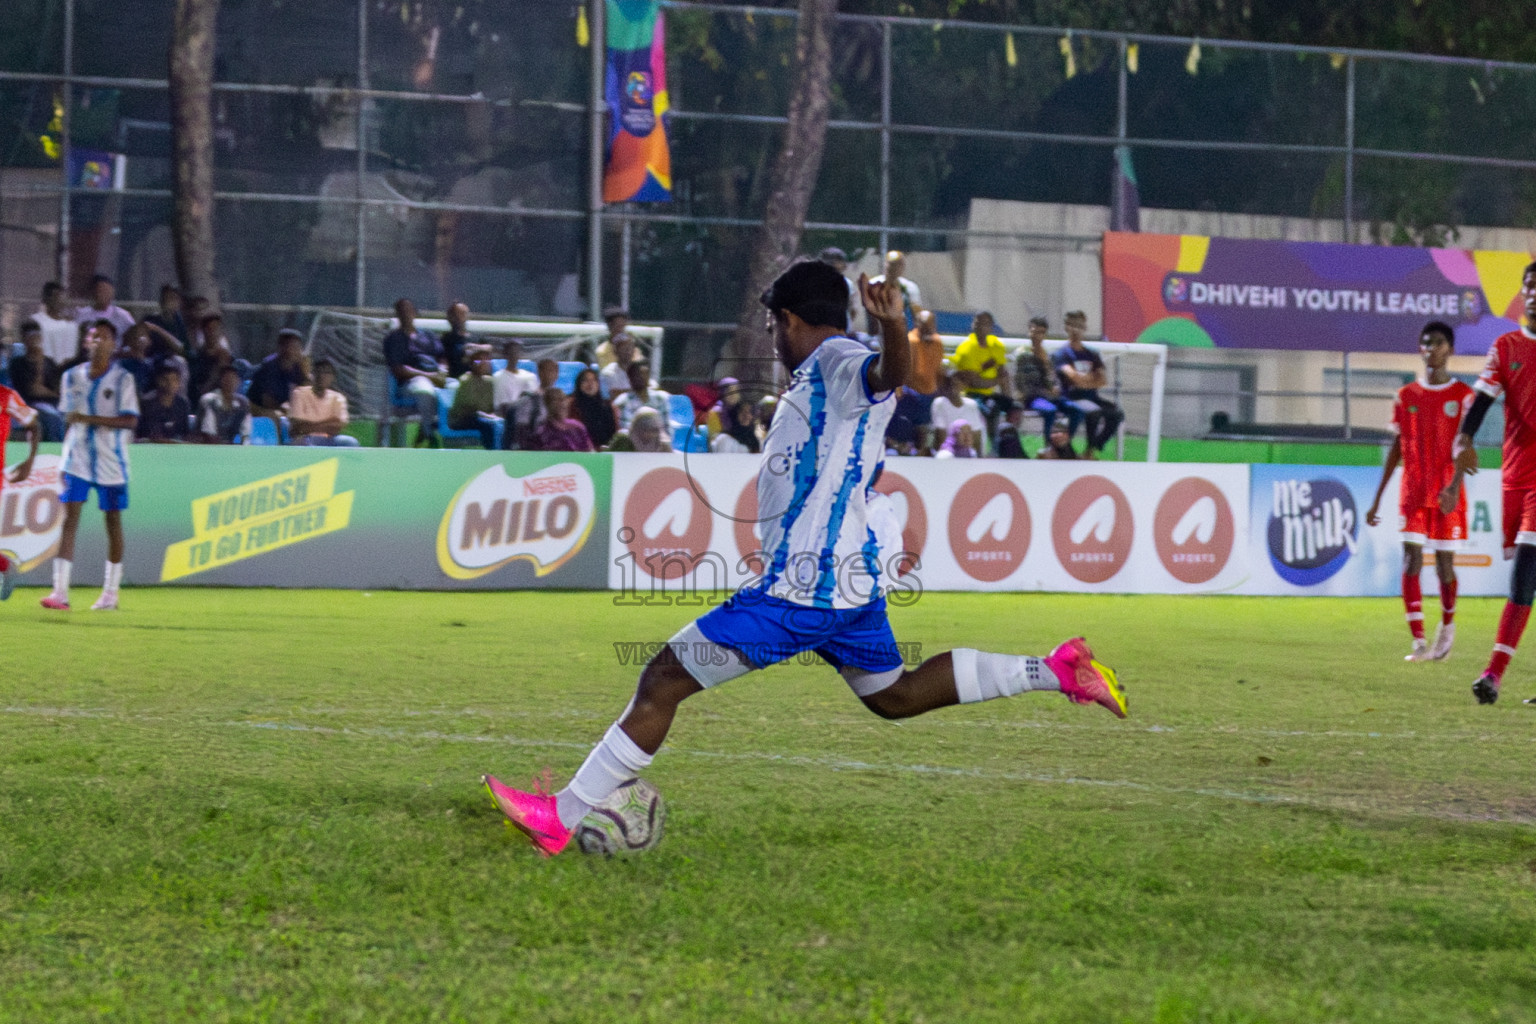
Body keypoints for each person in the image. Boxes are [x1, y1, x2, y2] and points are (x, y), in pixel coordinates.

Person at [480, 260, 1127, 856]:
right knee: (894, 696)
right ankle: (1058, 670)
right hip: (844, 581)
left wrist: (893, 326)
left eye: (773, 324)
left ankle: (561, 818)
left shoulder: (838, 359)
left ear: (792, 320)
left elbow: (887, 375)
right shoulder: (816, 377)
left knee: (663, 680)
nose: (771, 337)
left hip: (805, 588)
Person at [1453, 262, 1536, 704]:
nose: (1534, 293)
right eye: (1529, 286)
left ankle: (1493, 674)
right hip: (1515, 477)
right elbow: (1483, 399)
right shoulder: (1505, 347)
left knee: (1525, 570)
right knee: (1526, 579)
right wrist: (1464, 438)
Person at [1364, 322, 1471, 662]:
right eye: (1426, 343)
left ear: (1450, 349)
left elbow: (1466, 451)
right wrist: (1377, 498)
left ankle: (1447, 630)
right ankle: (1418, 642)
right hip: (1413, 492)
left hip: (1447, 493)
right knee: (1410, 559)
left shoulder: (1463, 397)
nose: (1430, 349)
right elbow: (1396, 448)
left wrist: (1454, 487)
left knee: (1444, 565)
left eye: (1438, 343)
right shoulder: (1406, 395)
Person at [42, 319, 138, 612]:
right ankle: (60, 592)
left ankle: (110, 593)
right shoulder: (71, 377)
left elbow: (130, 420)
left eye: (104, 337)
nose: (97, 341)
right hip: (78, 457)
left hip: (112, 460)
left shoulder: (123, 380)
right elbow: (67, 416)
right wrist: (79, 422)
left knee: (113, 523)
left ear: (113, 345)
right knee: (69, 520)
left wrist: (88, 419)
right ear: (86, 342)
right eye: (93, 336)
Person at [1052, 311, 1124, 456]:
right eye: (1072, 325)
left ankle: (1095, 446)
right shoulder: (1061, 354)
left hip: (1092, 397)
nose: (1076, 330)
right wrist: (1091, 378)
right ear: (1066, 327)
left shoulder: (1093, 354)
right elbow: (1073, 377)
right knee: (1093, 411)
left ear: (1085, 328)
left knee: (1116, 414)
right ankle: (1087, 452)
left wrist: (1084, 380)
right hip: (1071, 397)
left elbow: (1102, 380)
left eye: (1079, 326)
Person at [382, 298, 447, 447]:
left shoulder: (429, 336)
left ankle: (451, 439)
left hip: (436, 377)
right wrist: (429, 376)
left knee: (456, 387)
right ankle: (430, 435)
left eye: (409, 310)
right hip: (410, 383)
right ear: (397, 315)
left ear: (415, 313)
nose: (406, 314)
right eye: (402, 311)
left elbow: (442, 357)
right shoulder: (393, 339)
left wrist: (443, 372)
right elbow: (398, 369)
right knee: (425, 390)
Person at [0, 376, 39, 599]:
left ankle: (5, 566)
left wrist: (30, 460)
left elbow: (33, 424)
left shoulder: (6, 397)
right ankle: (4, 565)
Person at [951, 311, 1015, 441]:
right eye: (977, 323)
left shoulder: (996, 345)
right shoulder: (967, 348)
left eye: (985, 324)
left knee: (1015, 409)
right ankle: (992, 448)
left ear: (991, 327)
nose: (980, 326)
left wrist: (1008, 399)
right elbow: (974, 382)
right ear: (973, 325)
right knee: (992, 409)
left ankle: (1008, 442)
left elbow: (1003, 374)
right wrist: (997, 380)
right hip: (972, 394)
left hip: (989, 394)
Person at [1015, 316, 1081, 441]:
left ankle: (1065, 445)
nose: (1037, 336)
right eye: (1035, 332)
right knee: (1050, 411)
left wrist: (1054, 386)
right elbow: (1024, 385)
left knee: (1076, 411)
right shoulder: (1023, 354)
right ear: (1029, 331)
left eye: (1041, 333)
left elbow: (1052, 380)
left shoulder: (1048, 356)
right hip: (1032, 397)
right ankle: (1048, 446)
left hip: (1049, 396)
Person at [11, 321, 65, 441]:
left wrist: (53, 393)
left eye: (37, 336)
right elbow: (35, 390)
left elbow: (58, 389)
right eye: (31, 337)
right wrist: (39, 364)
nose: (35, 340)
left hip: (53, 405)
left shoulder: (50, 362)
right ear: (24, 339)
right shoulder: (18, 363)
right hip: (28, 405)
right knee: (50, 419)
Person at [288, 358, 359, 447]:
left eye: (327, 373)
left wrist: (309, 425)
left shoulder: (338, 398)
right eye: (318, 371)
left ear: (333, 377)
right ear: (312, 374)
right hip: (305, 438)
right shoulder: (299, 393)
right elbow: (298, 428)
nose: (322, 375)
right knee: (303, 443)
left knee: (350, 442)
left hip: (329, 439)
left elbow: (337, 427)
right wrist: (329, 422)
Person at [247, 329, 308, 416]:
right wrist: (287, 411)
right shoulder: (269, 367)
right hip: (259, 410)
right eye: (288, 346)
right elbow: (267, 401)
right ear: (281, 347)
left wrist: (306, 375)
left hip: (287, 412)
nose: (291, 351)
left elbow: (308, 396)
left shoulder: (299, 369)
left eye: (296, 347)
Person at [493, 343, 542, 450]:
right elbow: (501, 407)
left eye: (517, 352)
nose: (514, 355)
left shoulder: (530, 376)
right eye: (511, 352)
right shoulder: (498, 377)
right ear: (505, 355)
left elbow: (537, 399)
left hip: (532, 414)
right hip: (511, 415)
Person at [449, 354, 498, 448]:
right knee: (487, 426)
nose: (482, 364)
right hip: (462, 419)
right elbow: (467, 409)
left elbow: (491, 406)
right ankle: (491, 454)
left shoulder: (490, 382)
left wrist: (492, 414)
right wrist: (484, 414)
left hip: (483, 417)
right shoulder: (466, 381)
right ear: (471, 364)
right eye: (478, 361)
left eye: (486, 361)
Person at [135, 365, 193, 443]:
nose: (170, 383)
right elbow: (145, 433)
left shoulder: (183, 403)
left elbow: (185, 432)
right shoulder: (146, 403)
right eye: (165, 379)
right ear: (158, 380)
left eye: (174, 380)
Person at [929, 370, 985, 449]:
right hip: (948, 452)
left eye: (959, 382)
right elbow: (941, 435)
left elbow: (976, 435)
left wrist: (977, 458)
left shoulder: (971, 405)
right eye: (950, 382)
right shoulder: (940, 403)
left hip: (968, 454)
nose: (954, 385)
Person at [198, 366, 254, 444]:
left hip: (229, 447)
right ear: (221, 380)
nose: (230, 381)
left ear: (238, 381)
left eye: (234, 378)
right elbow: (209, 434)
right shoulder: (208, 400)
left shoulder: (243, 403)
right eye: (227, 378)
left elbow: (246, 434)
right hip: (206, 447)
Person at [868, 250, 922, 331]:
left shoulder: (910, 287)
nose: (892, 269)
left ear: (902, 267)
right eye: (890, 264)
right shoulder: (873, 284)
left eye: (897, 265)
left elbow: (917, 314)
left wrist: (916, 335)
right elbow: (871, 313)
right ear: (885, 265)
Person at [611, 361, 670, 431]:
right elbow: (626, 431)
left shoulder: (660, 398)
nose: (642, 377)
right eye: (638, 374)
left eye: (645, 373)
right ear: (630, 379)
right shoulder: (623, 401)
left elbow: (666, 428)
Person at [74, 274, 136, 340]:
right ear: (93, 292)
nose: (105, 294)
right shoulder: (82, 314)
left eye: (108, 291)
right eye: (101, 291)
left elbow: (134, 335)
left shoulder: (122, 315)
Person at [441, 301, 493, 379]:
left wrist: (472, 347)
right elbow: (457, 359)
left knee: (481, 359)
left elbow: (489, 347)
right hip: (458, 375)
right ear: (451, 318)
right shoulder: (447, 340)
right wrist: (469, 353)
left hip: (478, 372)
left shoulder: (476, 338)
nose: (461, 317)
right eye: (458, 314)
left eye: (464, 313)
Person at [569, 367, 618, 448]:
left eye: (594, 380)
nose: (590, 384)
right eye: (585, 380)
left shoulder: (607, 406)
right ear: (579, 384)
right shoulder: (572, 406)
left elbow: (614, 433)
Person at [34, 281, 80, 364]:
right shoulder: (36, 321)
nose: (59, 301)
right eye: (55, 297)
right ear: (46, 299)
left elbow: (71, 354)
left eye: (62, 297)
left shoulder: (71, 325)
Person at [818, 246, 862, 331]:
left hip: (836, 329)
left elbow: (853, 309)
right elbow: (853, 310)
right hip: (833, 329)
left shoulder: (847, 284)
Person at [144, 283, 190, 352]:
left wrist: (157, 329)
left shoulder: (182, 324)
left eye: (172, 298)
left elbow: (182, 348)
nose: (167, 302)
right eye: (165, 298)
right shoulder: (150, 319)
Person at [599, 333, 643, 398]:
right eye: (623, 347)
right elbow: (609, 396)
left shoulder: (641, 371)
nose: (627, 350)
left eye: (630, 347)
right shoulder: (607, 373)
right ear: (615, 351)